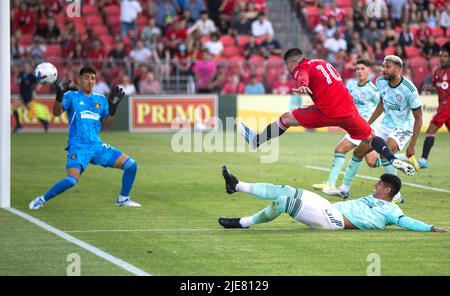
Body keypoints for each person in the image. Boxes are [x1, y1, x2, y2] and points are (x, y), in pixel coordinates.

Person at [240, 48, 416, 177]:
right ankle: (392, 159)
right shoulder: (322, 62)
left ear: (291, 62)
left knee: (286, 119)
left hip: (328, 111)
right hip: (349, 110)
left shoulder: (301, 68)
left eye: (288, 66)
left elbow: (303, 77)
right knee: (370, 137)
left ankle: (257, 141)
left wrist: (303, 84)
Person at [29, 66, 141, 209]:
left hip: (97, 146)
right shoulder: (71, 96)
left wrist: (112, 110)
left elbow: (106, 126)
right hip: (79, 146)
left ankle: (123, 199)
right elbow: (56, 113)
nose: (90, 81)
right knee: (71, 180)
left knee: (131, 165)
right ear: (79, 80)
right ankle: (42, 199)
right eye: (86, 78)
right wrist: (59, 95)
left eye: (93, 78)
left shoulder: (100, 99)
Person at [218, 166, 447, 232]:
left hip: (334, 222)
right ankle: (237, 185)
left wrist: (431, 228)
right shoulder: (374, 198)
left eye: (379, 183)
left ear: (387, 189)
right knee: (286, 190)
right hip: (328, 209)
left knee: (285, 203)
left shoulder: (391, 210)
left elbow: (406, 221)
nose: (375, 184)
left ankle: (242, 223)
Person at [324, 55, 423, 203]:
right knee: (358, 152)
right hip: (384, 124)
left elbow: (419, 118)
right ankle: (344, 189)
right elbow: (382, 104)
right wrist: (368, 124)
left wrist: (412, 145)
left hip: (402, 127)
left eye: (387, 67)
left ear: (397, 69)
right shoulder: (381, 81)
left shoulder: (409, 89)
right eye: (383, 66)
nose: (384, 70)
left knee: (385, 154)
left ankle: (396, 196)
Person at [312, 60, 380, 191]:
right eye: (357, 69)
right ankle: (400, 159)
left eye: (362, 68)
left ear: (369, 71)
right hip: (354, 124)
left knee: (340, 149)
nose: (359, 71)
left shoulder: (373, 90)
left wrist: (372, 122)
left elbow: (382, 106)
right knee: (372, 162)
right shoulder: (351, 85)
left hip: (365, 127)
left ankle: (331, 184)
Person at [418, 42, 450, 169]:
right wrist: (429, 88)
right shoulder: (437, 71)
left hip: (447, 106)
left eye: (445, 56)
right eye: (441, 56)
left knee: (431, 129)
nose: (442, 58)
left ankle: (423, 160)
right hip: (441, 106)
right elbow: (436, 86)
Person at [12, 62, 49, 132]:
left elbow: (39, 82)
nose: (25, 67)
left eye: (26, 65)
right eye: (24, 65)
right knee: (15, 107)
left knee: (31, 112)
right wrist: (16, 74)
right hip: (22, 95)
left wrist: (35, 91)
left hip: (28, 95)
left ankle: (44, 122)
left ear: (29, 67)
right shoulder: (21, 74)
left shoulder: (31, 75)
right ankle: (44, 122)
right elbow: (17, 82)